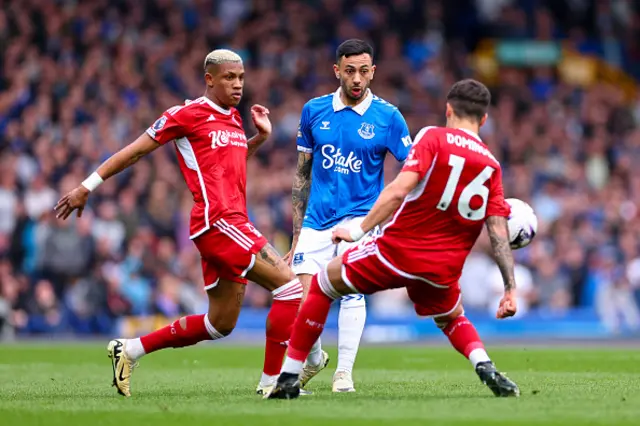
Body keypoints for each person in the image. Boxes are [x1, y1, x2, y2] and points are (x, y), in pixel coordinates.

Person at [54, 49, 303, 397]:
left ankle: (129, 350)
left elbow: (227, 162)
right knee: (290, 288)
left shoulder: (232, 119)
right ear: (209, 79)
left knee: (219, 324)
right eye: (229, 77)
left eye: (241, 78)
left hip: (228, 223)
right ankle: (272, 385)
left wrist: (258, 139)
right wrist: (86, 186)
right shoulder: (186, 114)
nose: (237, 84)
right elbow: (136, 149)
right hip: (219, 222)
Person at [268, 79, 521, 400]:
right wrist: (510, 289)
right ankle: (485, 366)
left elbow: (400, 188)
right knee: (452, 316)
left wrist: (358, 231)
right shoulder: (492, 166)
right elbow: (498, 232)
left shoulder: (433, 136)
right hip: (443, 269)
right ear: (484, 120)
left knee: (322, 284)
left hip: (398, 251)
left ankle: (289, 378)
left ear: (448, 110)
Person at [283, 39, 412, 393]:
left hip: (360, 222)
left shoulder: (388, 117)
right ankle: (314, 359)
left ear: (373, 73)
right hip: (316, 221)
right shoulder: (314, 111)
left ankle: (344, 373)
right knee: (302, 300)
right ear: (337, 70)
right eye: (350, 70)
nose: (357, 78)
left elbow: (412, 169)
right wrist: (297, 234)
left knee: (351, 292)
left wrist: (388, 212)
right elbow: (301, 175)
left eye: (364, 71)